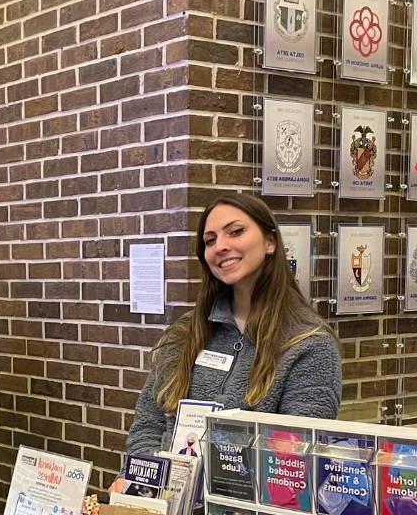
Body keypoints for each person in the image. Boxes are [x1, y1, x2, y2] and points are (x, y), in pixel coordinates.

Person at [126, 193, 342, 456]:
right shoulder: (185, 332)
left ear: (270, 242)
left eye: (235, 232)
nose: (220, 246)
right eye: (210, 240)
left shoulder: (308, 343)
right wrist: (145, 484)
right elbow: (148, 426)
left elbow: (297, 458)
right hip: (170, 494)